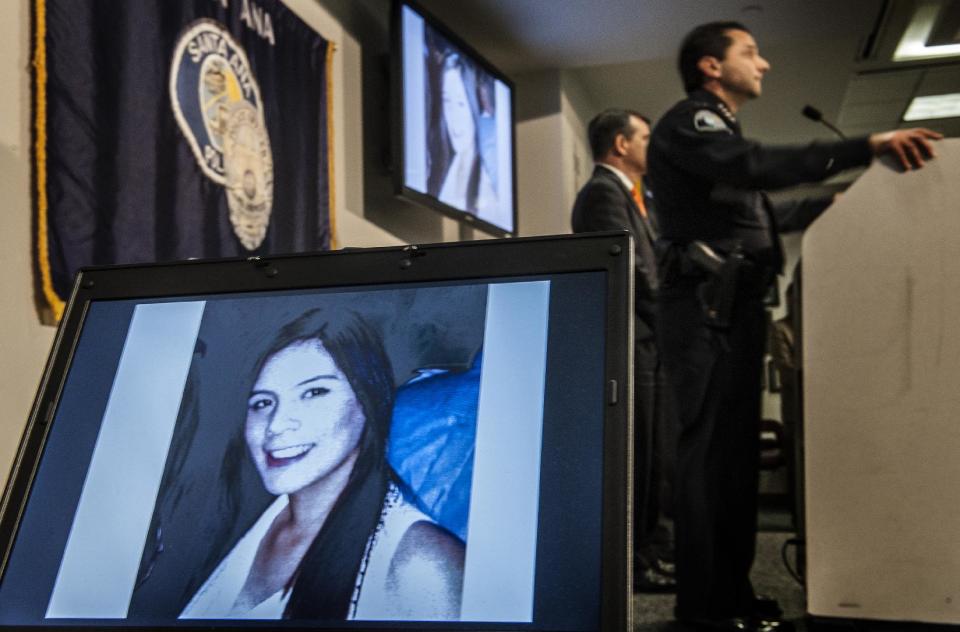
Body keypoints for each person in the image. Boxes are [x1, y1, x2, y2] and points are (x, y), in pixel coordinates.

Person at [646, 21, 941, 632]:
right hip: (705, 307)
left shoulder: (719, 134)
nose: (765, 64)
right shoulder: (689, 121)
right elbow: (754, 167)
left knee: (733, 465)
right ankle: (703, 612)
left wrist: (827, 205)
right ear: (709, 66)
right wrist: (867, 146)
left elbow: (756, 210)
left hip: (730, 306)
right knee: (709, 464)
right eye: (750, 52)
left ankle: (731, 595)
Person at [179, 308, 465, 621]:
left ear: (369, 400)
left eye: (314, 392)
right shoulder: (235, 523)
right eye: (262, 402)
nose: (275, 425)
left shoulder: (421, 564)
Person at [571, 109, 676, 593]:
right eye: (646, 138)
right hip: (632, 340)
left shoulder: (635, 194)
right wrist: (670, 322)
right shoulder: (601, 194)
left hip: (648, 340)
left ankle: (651, 550)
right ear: (620, 144)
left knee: (655, 451)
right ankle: (632, 563)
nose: (651, 147)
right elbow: (633, 269)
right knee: (637, 455)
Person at [426, 51, 498, 221]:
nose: (454, 117)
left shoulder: (491, 180)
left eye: (460, 103)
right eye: (446, 102)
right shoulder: (437, 181)